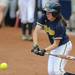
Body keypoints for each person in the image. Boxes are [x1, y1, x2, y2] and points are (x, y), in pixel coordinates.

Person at [31, 2, 75, 75]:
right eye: (46, 12)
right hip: (54, 47)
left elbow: (56, 44)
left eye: (49, 12)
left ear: (55, 13)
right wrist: (35, 45)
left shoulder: (59, 25)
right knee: (51, 72)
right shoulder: (44, 17)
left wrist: (44, 50)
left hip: (63, 46)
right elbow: (35, 31)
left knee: (58, 71)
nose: (47, 14)